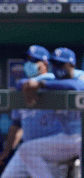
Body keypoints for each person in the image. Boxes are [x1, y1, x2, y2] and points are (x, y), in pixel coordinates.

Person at [0, 45, 65, 178]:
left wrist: (35, 83)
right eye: (27, 60)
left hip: (52, 150)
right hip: (27, 148)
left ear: (45, 63)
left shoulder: (53, 83)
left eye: (35, 60)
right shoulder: (23, 88)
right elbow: (16, 124)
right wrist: (7, 150)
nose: (30, 64)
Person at [17, 47, 82, 178]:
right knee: (26, 150)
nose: (57, 67)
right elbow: (21, 84)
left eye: (60, 64)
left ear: (72, 65)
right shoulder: (52, 80)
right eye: (54, 63)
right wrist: (32, 83)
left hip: (82, 137)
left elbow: (78, 86)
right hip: (67, 138)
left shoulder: (79, 75)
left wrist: (42, 85)